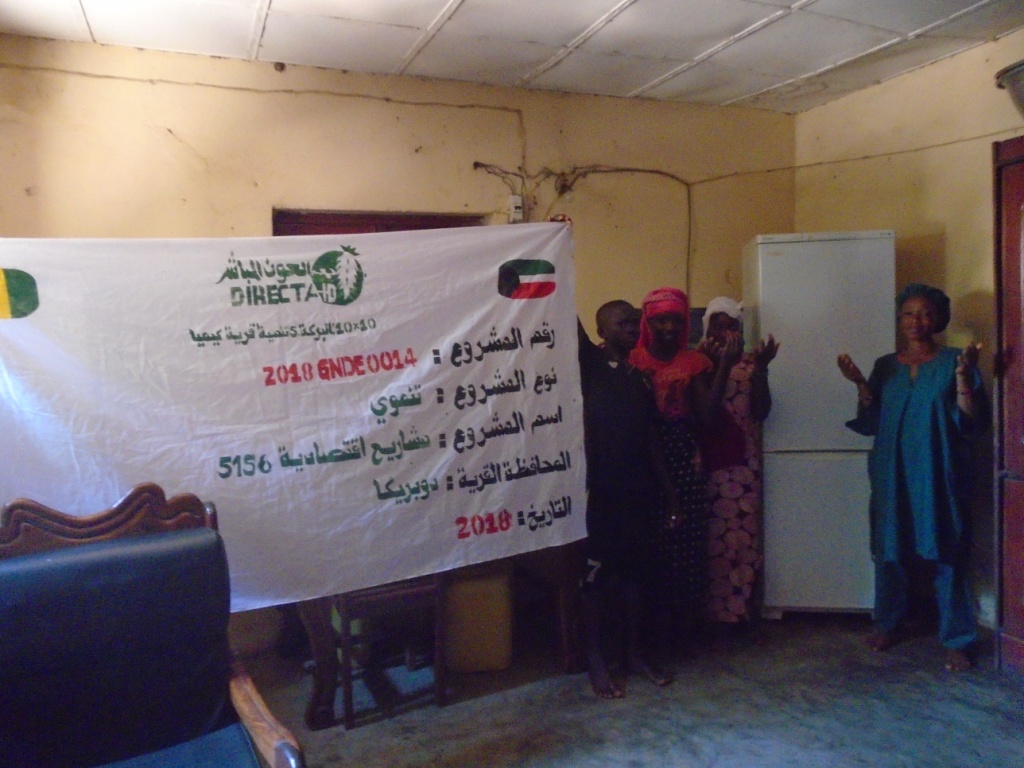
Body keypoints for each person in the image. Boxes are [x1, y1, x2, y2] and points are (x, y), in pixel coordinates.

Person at [837, 283, 987, 672]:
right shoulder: (886, 365)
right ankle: (888, 624)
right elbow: (872, 420)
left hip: (938, 472)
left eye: (925, 313)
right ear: (899, 319)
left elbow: (971, 420)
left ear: (938, 319)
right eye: (908, 313)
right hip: (892, 473)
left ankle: (957, 639)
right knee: (890, 547)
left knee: (948, 547)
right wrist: (860, 383)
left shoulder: (955, 360)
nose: (916, 320)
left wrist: (963, 377)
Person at [628, 287, 742, 648]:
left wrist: (724, 366)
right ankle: (646, 635)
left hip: (683, 461)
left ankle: (682, 634)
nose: (669, 327)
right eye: (661, 320)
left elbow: (707, 417)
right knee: (647, 547)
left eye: (676, 320)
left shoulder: (693, 362)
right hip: (640, 461)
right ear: (647, 322)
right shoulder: (631, 360)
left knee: (686, 547)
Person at [577, 301, 677, 697]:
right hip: (601, 493)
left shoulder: (640, 379)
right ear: (602, 331)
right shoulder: (590, 366)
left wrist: (670, 495)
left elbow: (652, 442)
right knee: (596, 581)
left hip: (640, 493)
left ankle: (634, 654)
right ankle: (596, 660)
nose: (633, 328)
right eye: (622, 323)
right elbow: (567, 318)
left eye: (636, 322)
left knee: (636, 578)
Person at [697, 297, 779, 627]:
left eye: (731, 326)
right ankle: (711, 614)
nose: (724, 333)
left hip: (743, 470)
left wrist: (761, 368)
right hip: (706, 467)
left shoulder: (749, 364)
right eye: (717, 326)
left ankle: (739, 612)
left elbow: (761, 412)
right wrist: (720, 364)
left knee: (742, 540)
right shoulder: (697, 364)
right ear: (706, 330)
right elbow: (706, 416)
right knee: (711, 542)